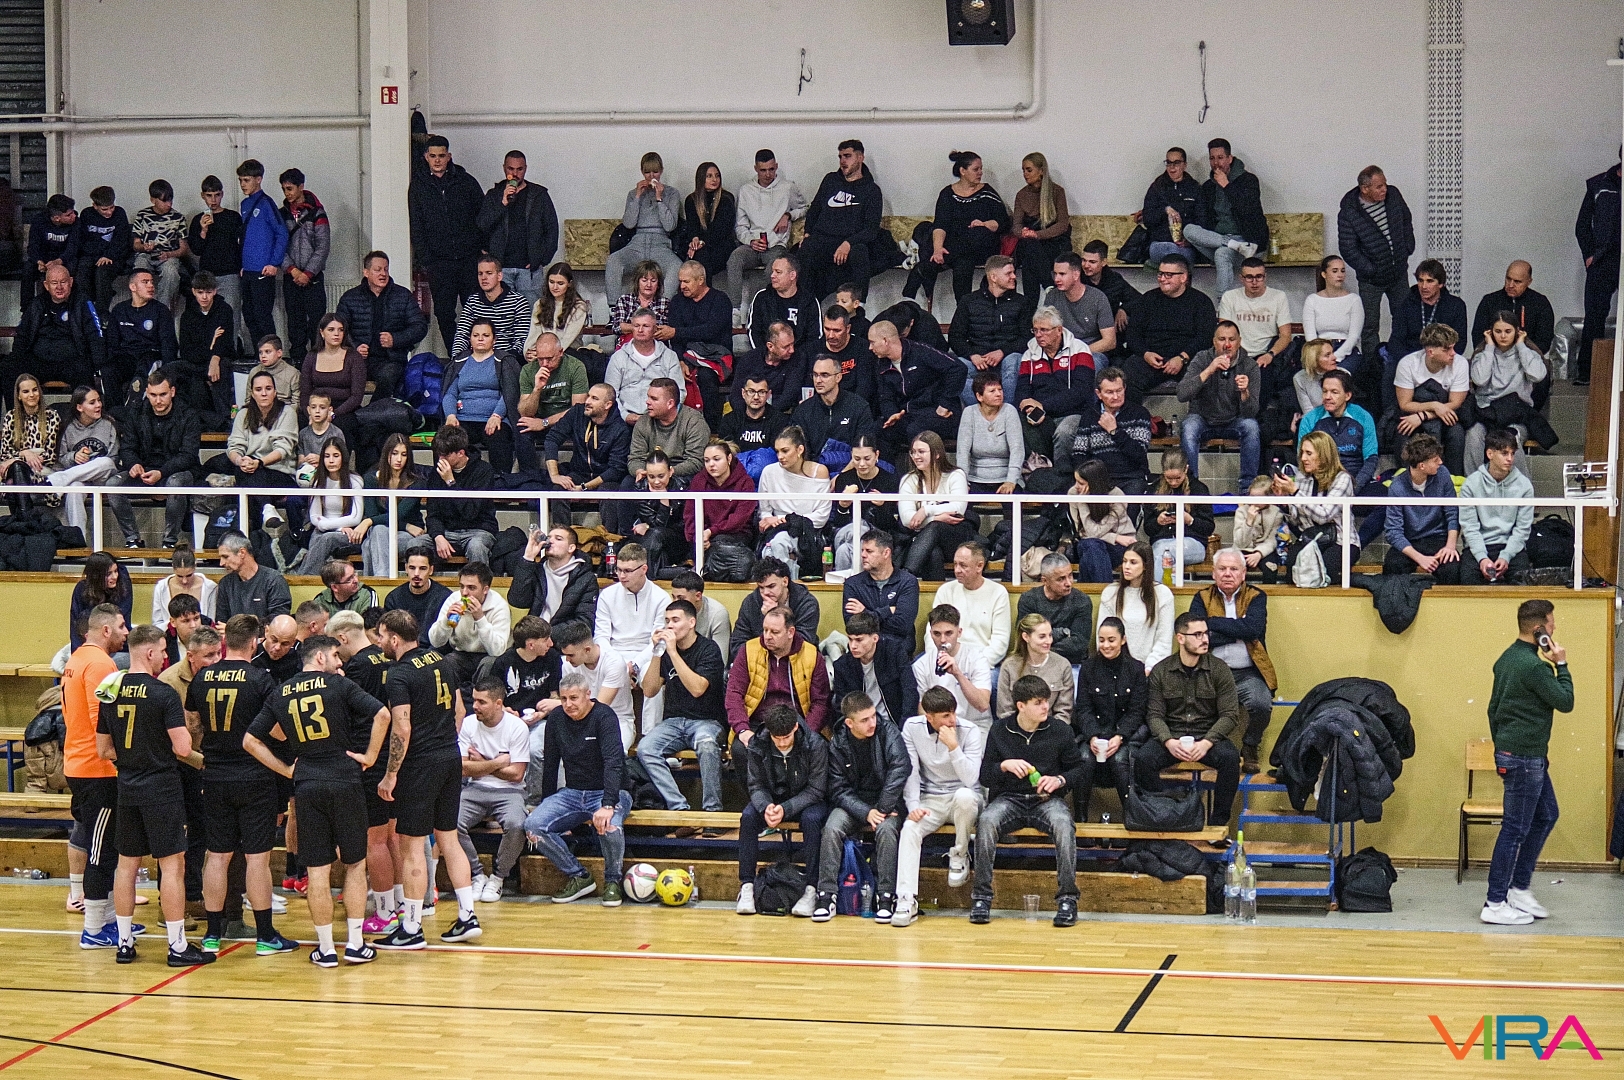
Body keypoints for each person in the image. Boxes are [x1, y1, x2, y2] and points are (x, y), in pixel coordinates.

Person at [246, 635, 384, 966]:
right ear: (320, 658)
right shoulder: (340, 685)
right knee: (355, 864)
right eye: (335, 655)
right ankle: (355, 944)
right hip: (345, 778)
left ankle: (325, 949)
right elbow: (382, 715)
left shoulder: (281, 691)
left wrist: (286, 769)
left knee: (317, 870)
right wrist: (370, 756)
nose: (340, 662)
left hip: (307, 783)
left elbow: (251, 740)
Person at [97, 624, 213, 966]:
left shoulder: (111, 691)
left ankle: (124, 944)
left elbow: (103, 750)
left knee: (126, 865)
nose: (166, 656)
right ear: (149, 652)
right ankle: (177, 946)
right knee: (172, 865)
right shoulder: (164, 693)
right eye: (162, 650)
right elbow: (183, 747)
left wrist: (133, 756)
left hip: (127, 787)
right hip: (161, 788)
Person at [373, 609, 483, 948]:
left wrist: (391, 774)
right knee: (448, 839)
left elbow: (402, 727)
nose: (379, 642)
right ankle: (467, 915)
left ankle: (411, 927)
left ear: (394, 638)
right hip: (449, 757)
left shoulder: (399, 674)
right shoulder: (443, 661)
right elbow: (460, 711)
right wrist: (443, 741)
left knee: (411, 846)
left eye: (381, 636)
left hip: (419, 765)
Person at [187, 614, 295, 954]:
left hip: (214, 776)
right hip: (254, 777)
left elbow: (192, 725)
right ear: (253, 642)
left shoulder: (202, 677)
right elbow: (278, 732)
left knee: (217, 857)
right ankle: (265, 936)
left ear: (224, 642)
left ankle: (212, 934)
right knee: (256, 859)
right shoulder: (261, 679)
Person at [1481, 599, 1573, 925]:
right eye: (1551, 623)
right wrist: (1561, 664)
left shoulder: (1507, 658)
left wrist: (1503, 746)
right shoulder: (1534, 668)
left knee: (1546, 815)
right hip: (1524, 758)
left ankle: (1519, 888)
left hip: (1521, 754)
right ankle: (1495, 903)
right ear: (1539, 629)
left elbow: (1493, 710)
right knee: (1515, 830)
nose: (1555, 627)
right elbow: (1565, 701)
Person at [969, 673, 1085, 927]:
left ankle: (1068, 899)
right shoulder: (1000, 730)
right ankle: (981, 898)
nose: (1045, 707)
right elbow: (985, 776)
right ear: (1021, 705)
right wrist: (1003, 766)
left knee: (1064, 825)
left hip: (1047, 799)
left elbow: (1079, 770)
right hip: (1009, 798)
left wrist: (1059, 780)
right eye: (1038, 702)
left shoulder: (1060, 730)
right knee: (986, 821)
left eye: (1046, 701)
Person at [523, 670, 632, 906]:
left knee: (610, 824)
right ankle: (579, 876)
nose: (568, 704)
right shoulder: (556, 719)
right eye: (563, 699)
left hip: (609, 791)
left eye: (574, 698)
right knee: (534, 826)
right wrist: (547, 803)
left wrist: (608, 804)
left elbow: (613, 762)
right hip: (572, 792)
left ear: (588, 694)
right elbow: (550, 765)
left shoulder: (604, 716)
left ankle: (613, 881)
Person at [811, 691, 910, 923]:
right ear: (849, 723)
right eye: (865, 720)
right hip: (854, 803)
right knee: (832, 828)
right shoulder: (838, 742)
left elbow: (901, 767)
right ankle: (826, 896)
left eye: (873, 716)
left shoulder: (888, 732)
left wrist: (882, 808)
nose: (872, 723)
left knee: (887, 830)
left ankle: (885, 897)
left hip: (886, 802)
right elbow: (837, 788)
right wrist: (866, 812)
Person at [891, 685, 984, 928]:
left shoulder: (970, 730)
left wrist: (954, 747)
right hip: (930, 798)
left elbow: (971, 779)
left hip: (962, 797)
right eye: (945, 715)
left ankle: (960, 854)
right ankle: (906, 899)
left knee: (965, 796)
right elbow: (910, 771)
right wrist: (913, 805)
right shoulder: (912, 728)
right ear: (929, 717)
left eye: (953, 712)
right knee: (909, 829)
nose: (952, 720)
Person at [65, 605, 129, 950]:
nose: (126, 632)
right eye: (121, 626)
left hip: (79, 764)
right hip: (97, 770)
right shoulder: (101, 664)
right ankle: (93, 929)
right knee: (100, 851)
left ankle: (107, 921)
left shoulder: (76, 659)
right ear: (106, 630)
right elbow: (100, 720)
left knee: (104, 847)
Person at [1139, 612, 1242, 827]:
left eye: (1205, 633)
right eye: (1197, 634)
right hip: (1173, 735)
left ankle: (1218, 823)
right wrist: (1168, 740)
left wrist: (1207, 742)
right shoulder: (1161, 671)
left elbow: (1230, 714)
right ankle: (1167, 815)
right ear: (1180, 638)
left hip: (1206, 735)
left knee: (1230, 758)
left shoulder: (1219, 669)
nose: (1205, 639)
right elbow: (1154, 715)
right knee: (1143, 759)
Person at [1188, 549, 1279, 773]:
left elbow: (1253, 629)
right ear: (1213, 573)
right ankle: (1215, 750)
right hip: (1210, 672)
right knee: (1190, 704)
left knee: (1261, 704)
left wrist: (1212, 622)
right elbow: (1196, 636)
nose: (1227, 573)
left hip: (1248, 672)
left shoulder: (1256, 596)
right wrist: (1238, 630)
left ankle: (1250, 745)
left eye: (1233, 569)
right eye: (1222, 569)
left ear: (1243, 573)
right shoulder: (1201, 597)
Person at [734, 703, 827, 918]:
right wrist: (765, 806)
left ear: (795, 727)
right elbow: (755, 785)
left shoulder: (815, 744)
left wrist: (786, 809)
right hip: (772, 800)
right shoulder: (757, 744)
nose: (783, 743)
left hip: (807, 800)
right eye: (777, 738)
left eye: (787, 737)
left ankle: (811, 888)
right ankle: (747, 885)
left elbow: (817, 789)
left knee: (812, 820)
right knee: (748, 817)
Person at [637, 599, 727, 815]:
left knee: (706, 746)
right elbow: (649, 690)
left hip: (707, 721)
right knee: (645, 749)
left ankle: (712, 812)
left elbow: (697, 689)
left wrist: (673, 654)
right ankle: (678, 807)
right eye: (667, 621)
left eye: (675, 620)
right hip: (673, 722)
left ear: (691, 622)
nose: (670, 626)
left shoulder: (708, 649)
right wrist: (657, 653)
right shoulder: (665, 652)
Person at [455, 678, 530, 903]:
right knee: (449, 823)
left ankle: (498, 877)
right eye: (474, 700)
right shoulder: (469, 724)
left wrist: (481, 763)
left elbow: (516, 774)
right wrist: (496, 762)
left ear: (498, 704)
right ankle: (477, 874)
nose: (475, 706)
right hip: (475, 788)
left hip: (510, 791)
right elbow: (463, 769)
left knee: (516, 825)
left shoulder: (517, 727)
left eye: (482, 702)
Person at [725, 605, 831, 765]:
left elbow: (821, 702)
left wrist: (807, 733)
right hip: (758, 722)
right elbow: (734, 694)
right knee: (740, 749)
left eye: (774, 632)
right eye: (765, 630)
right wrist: (742, 729)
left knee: (816, 748)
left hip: (797, 723)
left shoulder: (811, 656)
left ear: (790, 632)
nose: (767, 636)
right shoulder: (748, 651)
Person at [409, 134, 485, 353]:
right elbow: (417, 225)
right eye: (433, 156)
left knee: (475, 311)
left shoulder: (466, 181)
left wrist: (480, 250)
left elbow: (482, 217)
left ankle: (477, 356)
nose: (437, 160)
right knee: (443, 313)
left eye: (441, 156)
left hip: (468, 260)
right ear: (426, 157)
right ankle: (456, 356)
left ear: (449, 156)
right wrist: (427, 259)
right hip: (439, 263)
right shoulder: (418, 186)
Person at [108, 369, 200, 548]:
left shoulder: (189, 415)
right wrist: (133, 464)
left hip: (177, 471)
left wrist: (161, 472)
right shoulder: (136, 413)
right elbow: (127, 448)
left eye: (163, 394)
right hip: (144, 470)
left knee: (175, 484)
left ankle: (170, 540)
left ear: (172, 392)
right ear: (147, 393)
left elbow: (188, 456)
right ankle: (132, 539)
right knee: (112, 484)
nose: (158, 400)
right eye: (153, 395)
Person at [1337, 166, 1416, 367]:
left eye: (1385, 184)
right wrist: (1370, 269)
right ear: (1365, 189)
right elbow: (1348, 248)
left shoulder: (1394, 195)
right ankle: (1374, 368)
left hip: (1398, 272)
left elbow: (1406, 220)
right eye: (1379, 186)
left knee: (1405, 319)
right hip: (1371, 279)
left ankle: (1404, 363)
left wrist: (1408, 246)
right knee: (1369, 325)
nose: (1384, 189)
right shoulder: (1349, 212)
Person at [906, 150, 1010, 306]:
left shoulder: (987, 192)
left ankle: (926, 268)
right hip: (959, 251)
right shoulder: (947, 194)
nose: (980, 173)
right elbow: (940, 225)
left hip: (980, 246)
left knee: (978, 233)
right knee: (963, 263)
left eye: (981, 169)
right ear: (963, 171)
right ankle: (963, 311)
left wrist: (985, 224)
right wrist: (938, 250)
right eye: (976, 169)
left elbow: (1004, 222)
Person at [1297, 369, 1384, 548]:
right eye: (1325, 391)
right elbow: (1303, 457)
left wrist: (1352, 488)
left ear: (1348, 395)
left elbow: (1371, 458)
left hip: (1355, 483)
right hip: (1321, 485)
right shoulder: (1311, 419)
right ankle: (1316, 544)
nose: (1328, 397)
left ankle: (1355, 545)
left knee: (1388, 499)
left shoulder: (1362, 417)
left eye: (1334, 392)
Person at [613, 379, 710, 536]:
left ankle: (679, 536)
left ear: (670, 403)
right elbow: (634, 458)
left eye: (654, 398)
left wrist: (666, 473)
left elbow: (696, 461)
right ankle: (626, 537)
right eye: (648, 397)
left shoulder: (693, 422)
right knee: (628, 484)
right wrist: (642, 471)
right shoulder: (643, 422)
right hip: (650, 472)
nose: (647, 402)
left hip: (680, 473)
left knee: (691, 483)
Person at [1071, 617, 1144, 820]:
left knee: (1120, 760)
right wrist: (1092, 736)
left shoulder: (1136, 669)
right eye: (1101, 640)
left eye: (1111, 640)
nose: (1106, 645)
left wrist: (1120, 736)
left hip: (1124, 735)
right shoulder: (1088, 668)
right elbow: (1083, 708)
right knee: (1084, 758)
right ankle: (1081, 819)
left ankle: (1131, 817)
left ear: (1123, 640)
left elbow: (1137, 711)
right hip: (1095, 734)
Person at [1122, 254, 1218, 405]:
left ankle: (1198, 418)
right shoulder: (1147, 299)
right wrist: (1146, 354)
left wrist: (1182, 358)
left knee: (1207, 374)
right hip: (1152, 359)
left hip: (1188, 359)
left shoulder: (1201, 302)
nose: (1162, 279)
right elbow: (1133, 333)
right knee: (1127, 374)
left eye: (1169, 275)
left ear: (1183, 277)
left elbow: (1205, 337)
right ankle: (1135, 418)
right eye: (1160, 274)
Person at [1177, 320, 1260, 491]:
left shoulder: (1250, 366)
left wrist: (1245, 392)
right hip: (1203, 419)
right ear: (1214, 342)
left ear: (1239, 342)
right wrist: (1209, 370)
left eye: (1232, 339)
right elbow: (1182, 394)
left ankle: (1247, 489)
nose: (1227, 345)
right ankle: (1192, 488)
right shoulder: (1202, 359)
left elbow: (1251, 413)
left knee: (1252, 427)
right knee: (1189, 427)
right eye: (1222, 339)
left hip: (1233, 420)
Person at [1466, 312, 1554, 469]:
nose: (1503, 336)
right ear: (1490, 332)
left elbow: (1538, 375)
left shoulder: (1529, 353)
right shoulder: (1483, 353)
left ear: (1517, 331)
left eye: (1508, 331)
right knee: (1473, 435)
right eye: (1498, 331)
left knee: (1510, 439)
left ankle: (1519, 485)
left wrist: (1521, 345)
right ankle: (1474, 482)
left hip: (1516, 416)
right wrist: (1489, 348)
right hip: (1486, 414)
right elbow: (1479, 379)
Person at [335, 251, 428, 398]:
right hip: (356, 359)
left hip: (391, 360)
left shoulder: (403, 295)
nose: (383, 274)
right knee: (337, 376)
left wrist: (395, 339)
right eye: (377, 270)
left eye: (386, 269)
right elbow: (339, 328)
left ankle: (373, 410)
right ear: (366, 272)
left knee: (388, 375)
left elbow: (420, 327)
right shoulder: (350, 297)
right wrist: (355, 346)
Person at [801, 139, 885, 299]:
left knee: (860, 253)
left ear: (860, 158)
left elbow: (871, 229)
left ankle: (859, 305)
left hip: (851, 241)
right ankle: (805, 305)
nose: (842, 161)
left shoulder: (872, 190)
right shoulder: (830, 180)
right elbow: (815, 209)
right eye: (840, 157)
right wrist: (807, 233)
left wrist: (848, 244)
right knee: (806, 249)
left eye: (847, 156)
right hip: (824, 237)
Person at [214, 370, 299, 530]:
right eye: (258, 389)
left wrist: (259, 462)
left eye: (268, 389)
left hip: (280, 473)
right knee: (242, 470)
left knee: (247, 480)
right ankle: (267, 509)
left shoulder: (287, 413)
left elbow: (283, 449)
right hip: (250, 471)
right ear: (252, 393)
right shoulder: (243, 414)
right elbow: (234, 446)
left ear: (275, 392)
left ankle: (254, 532)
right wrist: (240, 460)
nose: (264, 393)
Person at [727, 148, 807, 316]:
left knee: (773, 269)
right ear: (756, 169)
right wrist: (750, 241)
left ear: (776, 166)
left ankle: (758, 310)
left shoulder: (787, 187)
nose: (768, 174)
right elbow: (740, 226)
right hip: (752, 244)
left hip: (776, 245)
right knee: (735, 259)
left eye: (771, 169)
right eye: (763, 170)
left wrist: (788, 215)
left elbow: (805, 208)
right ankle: (735, 310)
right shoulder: (746, 190)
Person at [1012, 306, 1097, 463]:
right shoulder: (1029, 354)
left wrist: (1042, 406)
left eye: (1044, 330)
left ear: (1059, 330)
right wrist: (1029, 407)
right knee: (1016, 421)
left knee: (1065, 432)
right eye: (1035, 330)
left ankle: (1060, 472)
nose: (1038, 335)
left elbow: (1082, 391)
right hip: (1041, 414)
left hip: (1074, 413)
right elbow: (1022, 390)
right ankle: (1040, 470)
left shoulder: (1080, 349)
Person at [947, 255, 1033, 408]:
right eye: (1009, 273)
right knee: (956, 369)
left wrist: (1002, 351)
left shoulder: (1022, 302)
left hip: (1007, 357)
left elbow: (1027, 337)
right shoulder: (969, 301)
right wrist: (972, 355)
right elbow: (955, 336)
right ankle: (984, 410)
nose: (1014, 276)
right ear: (993, 277)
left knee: (1013, 361)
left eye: (1013, 272)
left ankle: (1007, 411)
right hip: (977, 359)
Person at [476, 149, 560, 304]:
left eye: (519, 169)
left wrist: (541, 259)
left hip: (529, 269)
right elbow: (482, 225)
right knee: (502, 313)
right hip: (501, 268)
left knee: (531, 313)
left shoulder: (539, 195)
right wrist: (502, 203)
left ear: (525, 169)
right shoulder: (494, 195)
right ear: (504, 168)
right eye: (511, 169)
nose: (515, 174)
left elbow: (552, 229)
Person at [441, 319, 526, 473]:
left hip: (494, 419)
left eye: (486, 335)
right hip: (463, 419)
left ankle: (500, 481)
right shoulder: (460, 361)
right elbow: (450, 393)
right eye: (476, 335)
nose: (480, 339)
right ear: (470, 339)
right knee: (445, 440)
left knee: (499, 439)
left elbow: (510, 393)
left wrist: (496, 415)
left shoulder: (504, 361)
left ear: (494, 340)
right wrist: (451, 416)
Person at [871, 319, 963, 459]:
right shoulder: (881, 364)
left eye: (872, 342)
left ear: (885, 341)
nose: (870, 347)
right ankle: (887, 471)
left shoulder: (920, 352)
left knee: (915, 430)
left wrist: (945, 403)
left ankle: (924, 472)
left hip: (938, 413)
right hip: (909, 414)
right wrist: (892, 414)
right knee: (878, 429)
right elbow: (885, 396)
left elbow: (958, 368)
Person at [1063, 365, 1152, 510]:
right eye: (1109, 392)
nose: (1116, 396)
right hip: (1098, 479)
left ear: (1125, 389)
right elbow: (1079, 453)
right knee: (1071, 495)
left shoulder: (1139, 413)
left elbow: (1139, 453)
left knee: (1131, 502)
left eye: (1119, 390)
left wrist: (1114, 431)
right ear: (1098, 393)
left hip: (1130, 478)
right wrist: (1084, 478)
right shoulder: (1089, 415)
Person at [1271, 430, 1358, 575]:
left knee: (1325, 568)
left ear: (1324, 455)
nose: (1303, 458)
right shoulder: (1302, 479)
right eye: (1302, 453)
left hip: (1340, 540)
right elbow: (1296, 521)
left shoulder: (1342, 479)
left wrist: (1296, 493)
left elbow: (1324, 516)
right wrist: (1285, 501)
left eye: (1309, 453)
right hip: (1311, 538)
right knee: (1292, 563)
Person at [1190, 139, 1270, 297]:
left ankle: (1223, 304)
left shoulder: (1249, 180)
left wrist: (1227, 185)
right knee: (1189, 230)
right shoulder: (1208, 186)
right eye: (1212, 158)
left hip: (1247, 241)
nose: (1216, 163)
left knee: (1222, 254)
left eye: (1220, 158)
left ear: (1230, 158)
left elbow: (1248, 210)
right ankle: (1231, 245)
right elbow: (1203, 217)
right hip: (1219, 240)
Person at [1472, 261, 1557, 409]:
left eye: (1517, 282)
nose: (1511, 285)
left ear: (1529, 281)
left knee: (1541, 376)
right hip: (1494, 357)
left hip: (1526, 357)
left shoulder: (1540, 303)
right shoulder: (1490, 301)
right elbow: (1478, 336)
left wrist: (1522, 354)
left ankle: (1531, 413)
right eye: (1508, 279)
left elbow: (1544, 341)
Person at [1460, 428, 1536, 586]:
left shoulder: (1524, 485)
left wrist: (1506, 556)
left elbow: (1522, 529)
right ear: (1490, 454)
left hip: (1511, 546)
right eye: (1504, 453)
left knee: (1522, 582)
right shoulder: (1471, 484)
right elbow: (1470, 527)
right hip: (1479, 546)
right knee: (1467, 581)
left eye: (1512, 453)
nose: (1510, 459)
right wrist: (1482, 558)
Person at [13, 263, 105, 394]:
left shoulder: (83, 302)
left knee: (85, 370)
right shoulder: (37, 304)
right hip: (39, 363)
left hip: (72, 362)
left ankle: (85, 408)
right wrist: (17, 358)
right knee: (9, 367)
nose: (59, 287)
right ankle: (15, 408)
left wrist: (98, 365)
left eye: (63, 282)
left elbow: (95, 335)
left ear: (71, 282)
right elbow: (22, 335)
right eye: (54, 283)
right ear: (46, 285)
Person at [1383, 433, 1461, 584]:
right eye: (1435, 460)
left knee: (1453, 568)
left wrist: (1450, 546)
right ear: (1422, 466)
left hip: (1438, 539)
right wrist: (1420, 558)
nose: (1440, 462)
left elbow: (1452, 513)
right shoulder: (1397, 487)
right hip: (1410, 541)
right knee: (1393, 566)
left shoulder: (1443, 474)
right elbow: (1393, 531)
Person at [1394, 322, 1469, 477]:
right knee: (1403, 429)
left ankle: (1453, 479)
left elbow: (1455, 403)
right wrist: (1434, 405)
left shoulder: (1460, 363)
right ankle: (1406, 479)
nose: (1453, 353)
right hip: (1414, 413)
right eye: (1447, 349)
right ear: (1430, 352)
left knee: (1456, 433)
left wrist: (1424, 415)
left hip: (1444, 415)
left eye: (1453, 347)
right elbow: (1405, 403)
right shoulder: (1408, 364)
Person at [1042, 458, 1136, 582]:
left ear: (1095, 483)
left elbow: (1094, 533)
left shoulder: (1116, 495)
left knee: (1089, 554)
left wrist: (1114, 539)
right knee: (1091, 546)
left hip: (1120, 545)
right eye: (1075, 481)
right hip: (1096, 541)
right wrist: (1115, 537)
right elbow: (1083, 532)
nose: (1076, 486)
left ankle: (1089, 589)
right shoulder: (1073, 493)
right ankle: (1105, 590)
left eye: (1081, 483)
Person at [755, 425, 832, 576]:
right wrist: (772, 521)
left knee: (779, 542)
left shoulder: (820, 471)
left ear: (800, 449)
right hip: (778, 529)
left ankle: (788, 583)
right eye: (777, 451)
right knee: (777, 543)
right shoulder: (769, 472)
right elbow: (765, 512)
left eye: (785, 451)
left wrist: (782, 519)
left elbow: (821, 517)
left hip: (808, 532)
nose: (780, 456)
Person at [553, 619, 635, 760]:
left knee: (611, 756)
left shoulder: (614, 663)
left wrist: (555, 704)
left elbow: (600, 707)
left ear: (587, 649)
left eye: (571, 655)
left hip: (617, 720)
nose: (567, 659)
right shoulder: (568, 665)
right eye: (565, 655)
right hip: (578, 719)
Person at [604, 152, 683, 299]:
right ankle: (614, 307)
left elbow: (670, 226)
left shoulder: (672, 193)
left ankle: (663, 306)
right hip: (637, 244)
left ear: (661, 171)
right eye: (647, 172)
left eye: (655, 171)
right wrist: (637, 197)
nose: (651, 176)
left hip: (660, 244)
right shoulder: (633, 194)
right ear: (642, 172)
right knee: (613, 261)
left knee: (676, 266)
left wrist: (659, 199)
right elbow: (628, 224)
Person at [897, 431, 972, 581]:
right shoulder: (909, 479)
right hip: (922, 539)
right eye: (913, 452)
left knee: (936, 527)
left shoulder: (956, 475)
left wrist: (926, 510)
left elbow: (958, 507)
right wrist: (936, 518)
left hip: (954, 537)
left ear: (937, 454)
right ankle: (933, 594)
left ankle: (904, 578)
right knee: (933, 553)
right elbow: (907, 519)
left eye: (921, 451)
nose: (916, 456)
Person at [428, 562, 513, 693]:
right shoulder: (454, 599)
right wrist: (446, 621)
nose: (464, 593)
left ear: (485, 589)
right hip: (461, 654)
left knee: (489, 664)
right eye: (462, 586)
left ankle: (480, 700)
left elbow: (497, 650)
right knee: (446, 663)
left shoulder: (499, 606)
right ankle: (454, 701)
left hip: (488, 655)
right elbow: (436, 642)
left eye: (471, 588)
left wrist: (480, 619)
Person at [668, 260, 734, 427]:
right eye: (680, 281)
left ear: (700, 280)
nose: (682, 286)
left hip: (715, 357)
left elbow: (711, 331)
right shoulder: (677, 302)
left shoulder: (720, 300)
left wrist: (677, 332)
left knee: (705, 376)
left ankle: (713, 429)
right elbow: (675, 339)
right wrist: (680, 361)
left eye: (686, 281)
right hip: (685, 357)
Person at [356, 433, 432, 576]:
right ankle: (384, 580)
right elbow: (373, 514)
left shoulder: (417, 483)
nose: (399, 459)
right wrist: (407, 526)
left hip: (407, 536)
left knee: (368, 545)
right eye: (394, 453)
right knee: (378, 531)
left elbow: (399, 513)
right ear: (387, 454)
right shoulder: (371, 479)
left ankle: (379, 583)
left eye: (404, 454)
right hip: (396, 530)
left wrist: (368, 521)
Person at [425, 424, 499, 567]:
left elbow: (471, 512)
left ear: (460, 453)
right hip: (447, 531)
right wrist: (438, 536)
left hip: (478, 530)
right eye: (439, 454)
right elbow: (432, 514)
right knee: (416, 544)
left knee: (476, 547)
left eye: (445, 455)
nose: (440, 459)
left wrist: (451, 482)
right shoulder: (436, 474)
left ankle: (480, 581)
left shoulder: (483, 471)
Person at [543, 382, 631, 502]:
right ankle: (558, 516)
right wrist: (555, 475)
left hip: (605, 479)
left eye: (594, 398)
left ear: (607, 405)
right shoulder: (577, 413)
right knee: (559, 489)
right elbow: (552, 439)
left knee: (608, 493)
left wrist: (584, 487)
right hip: (578, 473)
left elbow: (616, 469)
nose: (587, 401)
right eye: (588, 396)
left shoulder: (620, 429)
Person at [1218, 258, 1292, 401]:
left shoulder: (1278, 297)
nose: (1254, 282)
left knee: (1261, 391)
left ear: (1265, 277)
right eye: (1249, 277)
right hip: (1236, 354)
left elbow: (1285, 335)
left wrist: (1270, 354)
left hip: (1265, 354)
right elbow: (1224, 332)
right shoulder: (1230, 297)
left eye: (1259, 277)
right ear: (1241, 278)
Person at [913, 604, 993, 733]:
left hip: (975, 725)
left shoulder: (977, 659)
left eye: (948, 633)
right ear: (931, 634)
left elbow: (982, 705)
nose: (942, 640)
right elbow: (923, 709)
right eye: (937, 634)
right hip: (939, 727)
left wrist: (958, 674)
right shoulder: (921, 665)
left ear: (959, 632)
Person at [832, 610, 918, 730]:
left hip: (895, 724)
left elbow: (910, 691)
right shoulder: (842, 666)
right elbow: (842, 706)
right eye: (850, 639)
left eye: (859, 640)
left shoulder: (895, 653)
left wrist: (905, 727)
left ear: (875, 638)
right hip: (861, 728)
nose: (853, 646)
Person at [274, 170, 329, 359]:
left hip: (313, 278)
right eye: (284, 189)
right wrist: (293, 270)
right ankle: (297, 360)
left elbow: (323, 247)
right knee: (294, 323)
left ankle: (318, 360)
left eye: (290, 188)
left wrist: (308, 273)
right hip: (291, 277)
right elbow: (278, 246)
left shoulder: (317, 213)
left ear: (301, 187)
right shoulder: (281, 215)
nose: (287, 193)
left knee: (317, 322)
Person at [105, 267, 177, 407]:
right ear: (133, 287)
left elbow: (168, 344)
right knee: (109, 370)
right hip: (127, 356)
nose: (151, 286)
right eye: (145, 282)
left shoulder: (161, 310)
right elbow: (112, 344)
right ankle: (115, 412)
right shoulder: (119, 310)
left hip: (151, 355)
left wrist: (169, 373)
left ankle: (134, 406)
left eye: (152, 282)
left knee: (144, 369)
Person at [1098, 541, 1174, 672]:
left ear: (1145, 566)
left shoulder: (1162, 594)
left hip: (1150, 670)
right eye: (1124, 561)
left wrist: (1149, 668)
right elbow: (1103, 636)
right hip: (1116, 668)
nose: (1126, 566)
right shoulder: (1111, 593)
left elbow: (1164, 641)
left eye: (1133, 562)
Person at [932, 541, 1011, 667]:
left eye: (963, 565)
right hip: (947, 657)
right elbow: (932, 632)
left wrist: (973, 665)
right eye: (955, 564)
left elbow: (1000, 641)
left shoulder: (998, 592)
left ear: (979, 566)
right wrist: (941, 659)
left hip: (982, 661)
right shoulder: (946, 590)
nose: (957, 570)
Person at [684, 437, 758, 567]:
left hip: (736, 535)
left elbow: (739, 518)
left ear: (729, 458)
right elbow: (690, 514)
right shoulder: (699, 480)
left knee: (718, 544)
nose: (711, 464)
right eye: (707, 460)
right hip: (704, 536)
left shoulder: (745, 482)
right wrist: (698, 537)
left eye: (716, 459)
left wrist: (711, 531)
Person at [842, 530, 921, 652]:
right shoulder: (853, 584)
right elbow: (853, 626)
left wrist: (865, 612)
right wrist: (887, 611)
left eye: (869, 551)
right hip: (864, 652)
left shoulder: (907, 582)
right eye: (862, 550)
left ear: (886, 553)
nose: (863, 555)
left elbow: (903, 626)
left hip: (898, 651)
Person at [236, 160, 288, 346]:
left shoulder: (267, 203)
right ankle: (260, 353)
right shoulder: (244, 204)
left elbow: (282, 233)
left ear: (258, 179)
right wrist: (243, 264)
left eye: (247, 180)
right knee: (249, 314)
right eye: (241, 180)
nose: (243, 184)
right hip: (248, 270)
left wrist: (274, 263)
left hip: (263, 270)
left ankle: (272, 352)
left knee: (262, 315)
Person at [830, 434, 900, 571]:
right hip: (845, 532)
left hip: (877, 536)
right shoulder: (844, 479)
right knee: (857, 528)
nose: (861, 464)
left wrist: (882, 506)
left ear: (876, 455)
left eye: (867, 458)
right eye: (856, 459)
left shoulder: (889, 480)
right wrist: (843, 506)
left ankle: (846, 581)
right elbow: (838, 522)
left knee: (844, 550)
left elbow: (891, 524)